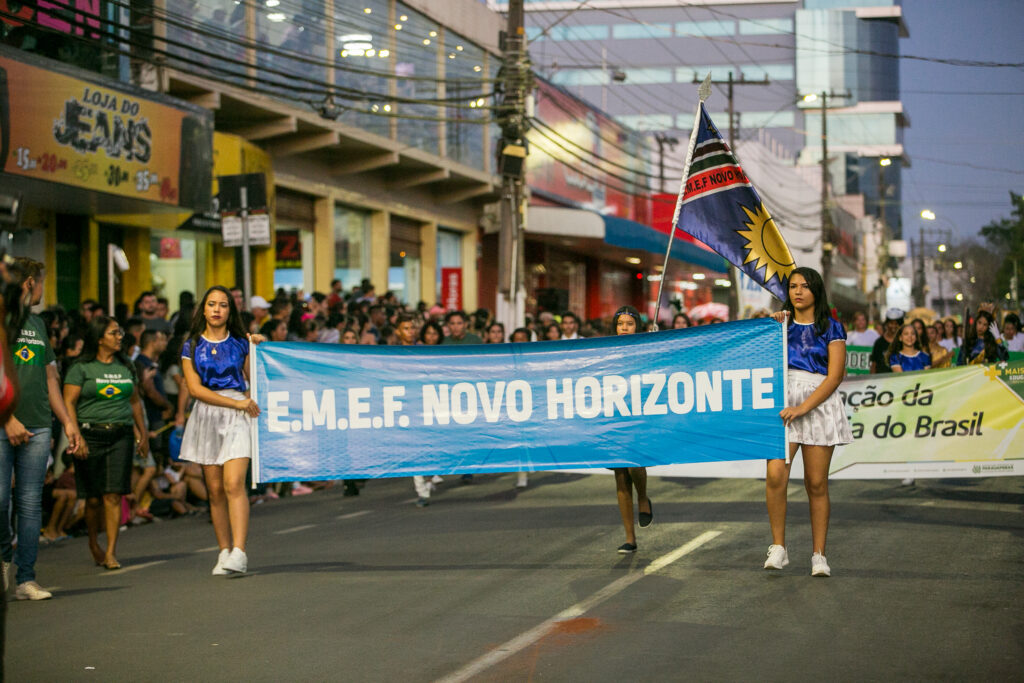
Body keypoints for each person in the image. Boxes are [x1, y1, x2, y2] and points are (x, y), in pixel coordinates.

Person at [2, 258, 81, 599]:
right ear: (30, 283)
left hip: (38, 424)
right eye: (42, 283)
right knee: (1, 500)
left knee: (31, 502)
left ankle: (26, 578)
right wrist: (8, 419)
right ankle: (5, 556)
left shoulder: (36, 323)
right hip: (4, 424)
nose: (43, 290)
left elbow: (51, 376)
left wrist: (67, 422)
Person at [766, 267, 852, 577]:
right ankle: (778, 547)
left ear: (816, 290)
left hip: (817, 404)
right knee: (776, 475)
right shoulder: (780, 326)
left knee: (816, 483)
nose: (797, 291)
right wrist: (769, 328)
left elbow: (835, 376)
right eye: (792, 286)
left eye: (804, 286)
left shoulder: (832, 328)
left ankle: (819, 555)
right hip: (782, 403)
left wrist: (803, 408)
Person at [179, 286, 264, 575]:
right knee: (214, 491)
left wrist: (259, 348)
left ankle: (240, 551)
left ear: (230, 311)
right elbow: (194, 389)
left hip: (239, 414)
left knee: (233, 484)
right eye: (212, 304)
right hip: (207, 416)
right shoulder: (190, 345)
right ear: (203, 309)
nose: (217, 309)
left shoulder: (241, 343)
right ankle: (224, 550)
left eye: (223, 305)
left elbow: (255, 378)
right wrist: (233, 404)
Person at [63, 316, 147, 571]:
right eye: (113, 333)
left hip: (120, 435)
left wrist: (142, 434)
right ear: (99, 338)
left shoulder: (126, 366)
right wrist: (76, 436)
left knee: (113, 495)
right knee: (94, 499)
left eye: (119, 332)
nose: (119, 337)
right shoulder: (81, 368)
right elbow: (68, 403)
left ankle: (111, 551)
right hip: (90, 434)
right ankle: (93, 541)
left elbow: (134, 402)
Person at [609, 305, 653, 554]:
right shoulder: (607, 351)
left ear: (638, 326)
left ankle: (644, 497)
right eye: (620, 324)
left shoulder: (647, 348)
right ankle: (630, 538)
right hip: (614, 417)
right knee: (619, 476)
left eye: (629, 323)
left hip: (639, 416)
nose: (624, 328)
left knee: (635, 464)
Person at [869, 308, 903, 374]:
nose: (894, 326)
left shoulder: (905, 341)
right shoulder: (879, 342)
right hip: (881, 380)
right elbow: (874, 364)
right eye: (891, 323)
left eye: (896, 323)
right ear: (886, 324)